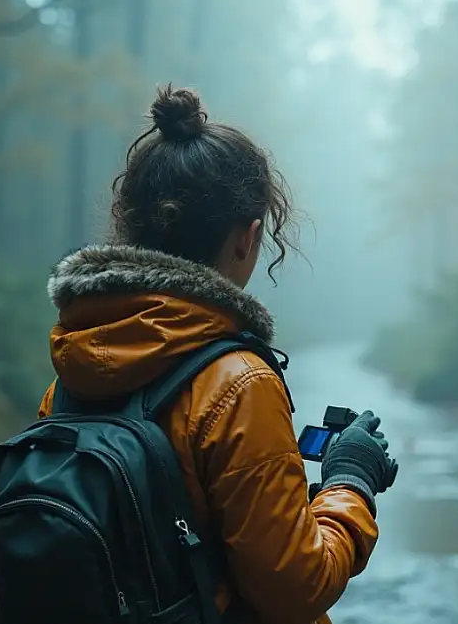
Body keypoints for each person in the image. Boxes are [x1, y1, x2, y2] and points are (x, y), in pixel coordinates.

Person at [37, 85, 395, 624]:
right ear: (247, 238)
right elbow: (295, 589)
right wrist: (350, 483)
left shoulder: (72, 372)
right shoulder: (237, 384)